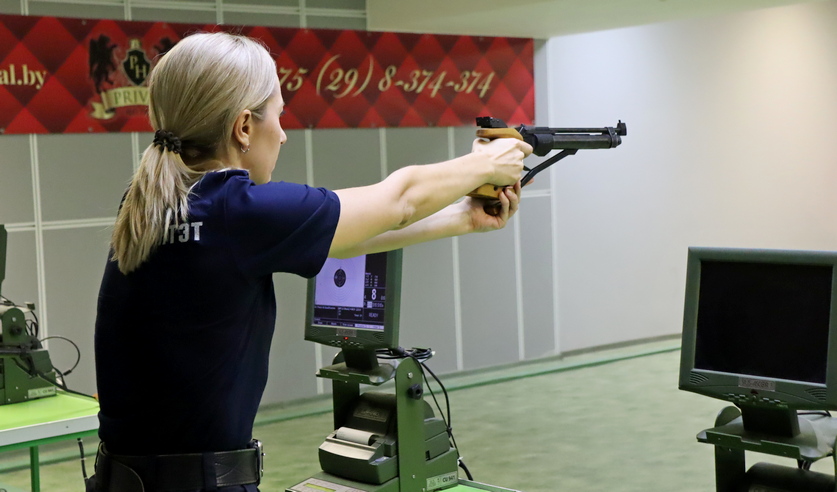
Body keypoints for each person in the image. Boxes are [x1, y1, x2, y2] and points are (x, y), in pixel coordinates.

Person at [91, 31, 531, 492]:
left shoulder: (156, 202)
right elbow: (400, 200)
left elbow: (345, 239)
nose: (282, 134)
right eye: (278, 115)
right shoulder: (234, 211)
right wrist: (487, 163)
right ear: (243, 127)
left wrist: (463, 217)